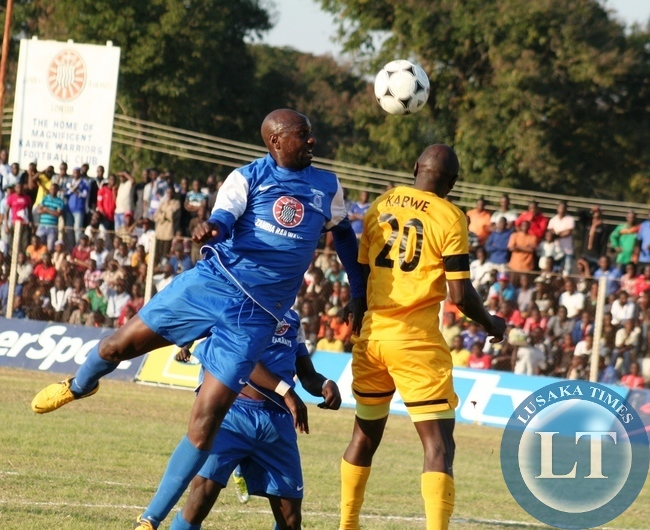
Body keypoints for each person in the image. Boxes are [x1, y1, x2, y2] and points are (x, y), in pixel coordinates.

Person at [32, 109, 365, 525]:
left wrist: (358, 290)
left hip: (255, 317)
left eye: (311, 134)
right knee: (119, 346)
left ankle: (149, 521)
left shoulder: (327, 185)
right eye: (303, 135)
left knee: (205, 421)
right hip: (210, 285)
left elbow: (346, 237)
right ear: (276, 142)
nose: (312, 141)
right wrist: (212, 229)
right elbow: (224, 218)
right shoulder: (247, 177)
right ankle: (80, 385)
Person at [339, 144, 505, 530]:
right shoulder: (451, 217)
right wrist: (492, 323)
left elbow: (361, 274)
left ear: (415, 168)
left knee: (363, 437)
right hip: (414, 342)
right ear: (453, 183)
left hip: (373, 337)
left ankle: (347, 524)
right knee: (439, 446)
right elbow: (460, 294)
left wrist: (356, 308)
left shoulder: (381, 204)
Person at [137, 310, 342, 529]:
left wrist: (324, 384)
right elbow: (241, 359)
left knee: (290, 521)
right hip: (231, 414)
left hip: (277, 423)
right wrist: (286, 391)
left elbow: (307, 374)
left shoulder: (293, 320)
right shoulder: (244, 307)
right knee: (199, 503)